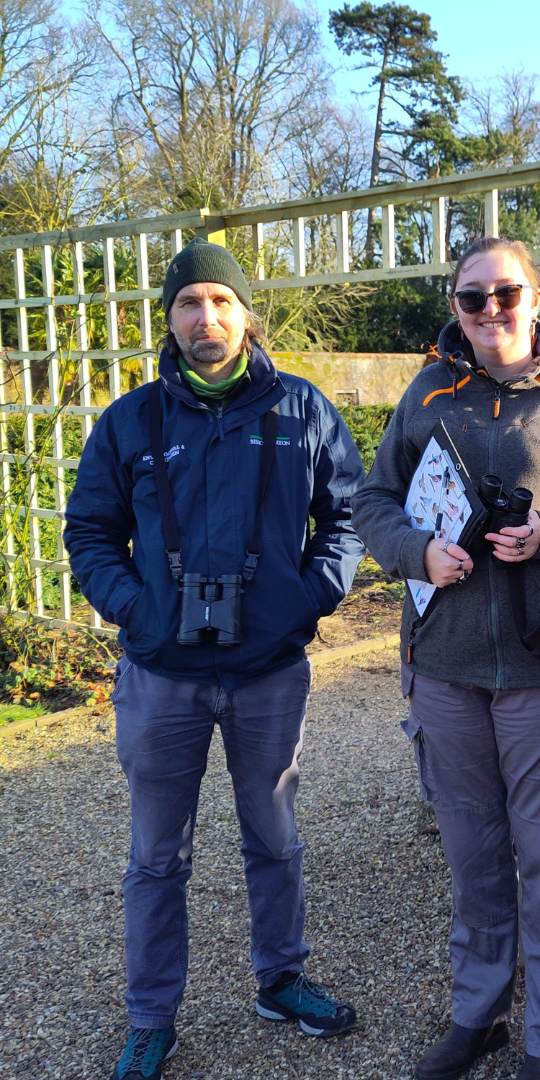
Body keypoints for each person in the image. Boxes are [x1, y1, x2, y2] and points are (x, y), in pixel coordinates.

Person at [63, 238, 366, 1080]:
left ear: (246, 314)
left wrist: (307, 598)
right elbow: (89, 531)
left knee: (275, 835)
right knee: (157, 855)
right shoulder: (130, 421)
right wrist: (137, 609)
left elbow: (346, 516)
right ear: (169, 318)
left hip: (269, 670)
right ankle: (151, 1017)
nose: (207, 317)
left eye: (221, 301)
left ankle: (281, 979)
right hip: (161, 675)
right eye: (190, 302)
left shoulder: (303, 410)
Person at [353, 236, 540, 1080]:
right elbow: (373, 500)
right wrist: (416, 552)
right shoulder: (427, 394)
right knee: (474, 857)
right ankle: (478, 1014)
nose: (491, 310)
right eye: (472, 297)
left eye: (506, 293)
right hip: (445, 670)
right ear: (455, 306)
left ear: (535, 298)